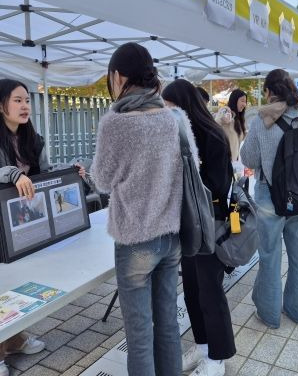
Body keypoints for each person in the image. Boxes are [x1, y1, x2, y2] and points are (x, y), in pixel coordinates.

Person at [0, 79, 85, 376]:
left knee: (18, 290)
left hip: (23, 229)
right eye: (17, 100)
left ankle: (14, 339)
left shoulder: (31, 137)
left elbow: (41, 175)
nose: (25, 106)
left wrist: (69, 171)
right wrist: (11, 173)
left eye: (27, 100)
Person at [90, 42, 191, 375]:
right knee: (167, 325)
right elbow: (191, 169)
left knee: (139, 335)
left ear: (118, 78)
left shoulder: (116, 122)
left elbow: (103, 180)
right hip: (172, 236)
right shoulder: (176, 117)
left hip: (135, 240)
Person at [162, 79, 235, 376]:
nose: (165, 113)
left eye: (169, 107)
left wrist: (191, 174)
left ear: (183, 106)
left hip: (211, 223)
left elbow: (218, 185)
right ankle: (203, 346)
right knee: (192, 288)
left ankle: (218, 357)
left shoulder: (212, 137)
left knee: (210, 290)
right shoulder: (182, 135)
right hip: (189, 224)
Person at [240, 69, 298, 328]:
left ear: (268, 91)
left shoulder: (263, 121)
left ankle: (269, 314)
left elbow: (249, 160)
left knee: (270, 256)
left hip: (270, 196)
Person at [215, 89, 247, 175]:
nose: (244, 104)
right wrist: (223, 117)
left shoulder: (239, 120)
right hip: (223, 164)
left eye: (245, 101)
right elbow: (216, 122)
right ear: (235, 100)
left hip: (235, 164)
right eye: (242, 101)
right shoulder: (227, 111)